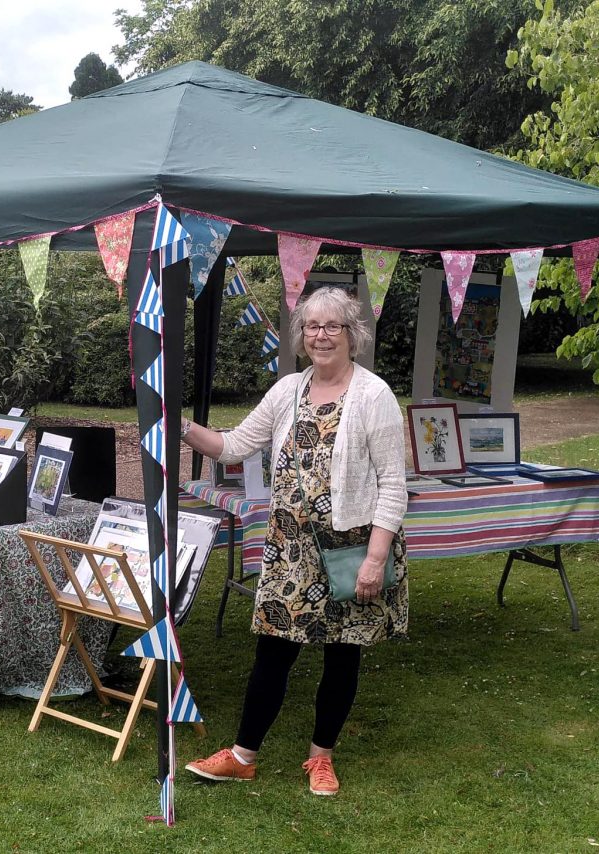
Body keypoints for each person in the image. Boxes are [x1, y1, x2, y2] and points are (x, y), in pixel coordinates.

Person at [182, 284, 408, 796]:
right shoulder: (288, 391)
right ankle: (242, 756)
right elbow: (235, 444)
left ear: (353, 334)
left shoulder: (374, 395)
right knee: (272, 652)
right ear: (300, 336)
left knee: (342, 653)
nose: (321, 335)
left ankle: (321, 757)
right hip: (290, 549)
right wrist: (180, 428)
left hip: (351, 549)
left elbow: (394, 485)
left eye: (333, 326)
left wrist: (376, 558)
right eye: (312, 326)